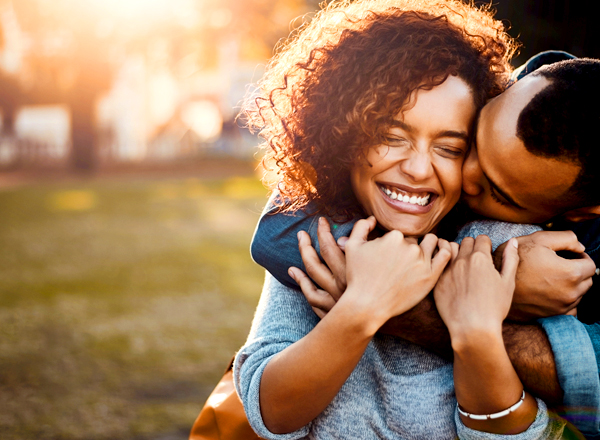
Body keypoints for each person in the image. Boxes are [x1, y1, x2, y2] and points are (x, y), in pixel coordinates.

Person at [252, 52, 600, 440]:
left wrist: (467, 312)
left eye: (497, 192)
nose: (458, 177)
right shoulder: (460, 96)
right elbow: (278, 233)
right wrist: (490, 280)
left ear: (573, 213)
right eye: (469, 143)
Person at [234, 0, 572, 438]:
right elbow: (271, 413)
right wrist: (364, 305)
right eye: (391, 137)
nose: (417, 168)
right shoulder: (316, 235)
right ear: (343, 135)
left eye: (448, 148)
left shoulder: (504, 247)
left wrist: (475, 334)